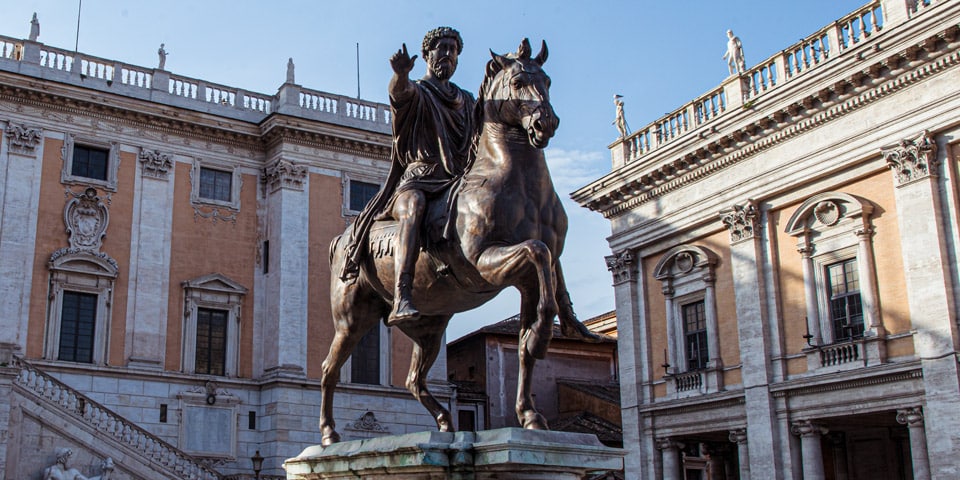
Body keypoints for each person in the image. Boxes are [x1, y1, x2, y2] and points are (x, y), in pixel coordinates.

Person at [341, 26, 476, 326]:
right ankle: (402, 293)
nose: (448, 55)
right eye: (442, 48)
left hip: (454, 180)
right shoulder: (418, 91)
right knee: (413, 208)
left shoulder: (467, 101)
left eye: (453, 50)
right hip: (418, 177)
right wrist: (400, 74)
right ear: (427, 54)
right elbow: (399, 94)